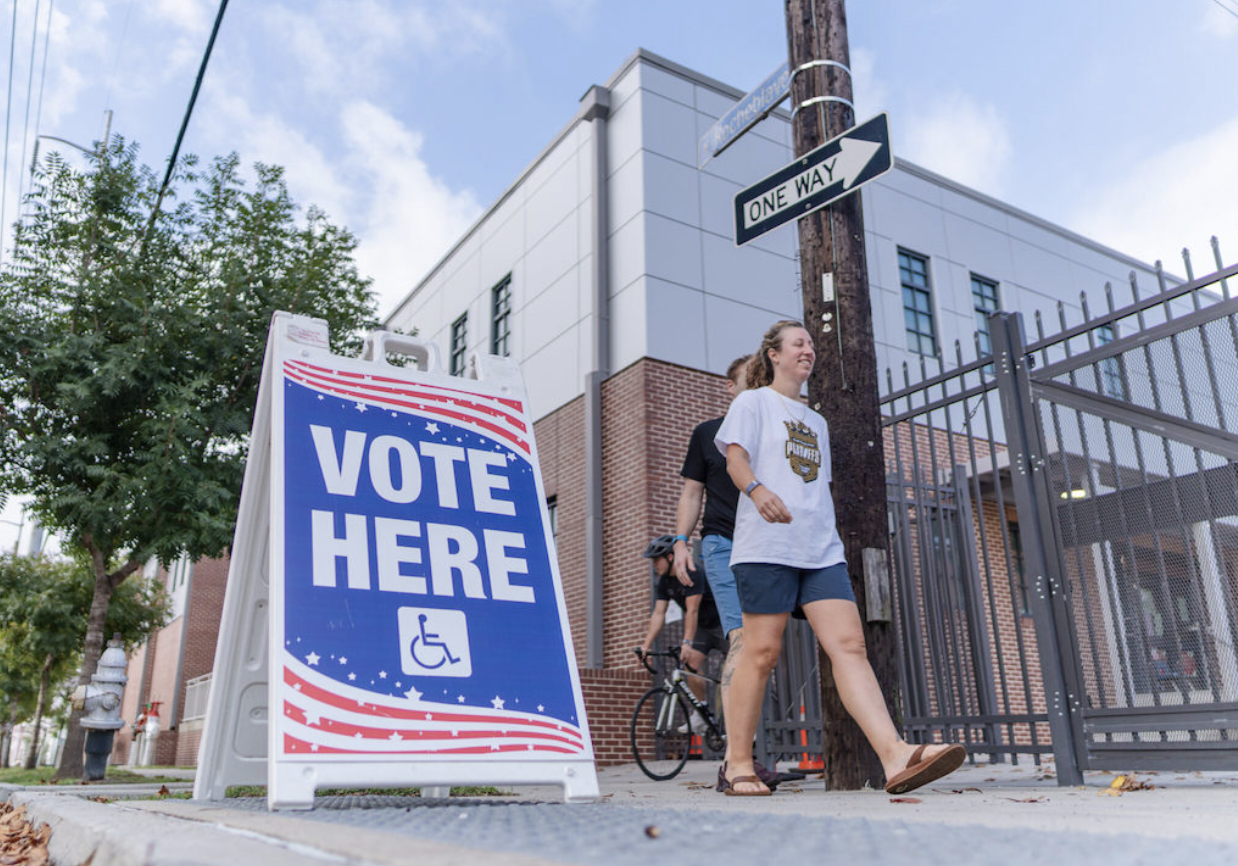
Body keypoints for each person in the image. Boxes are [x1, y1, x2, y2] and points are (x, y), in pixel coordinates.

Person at [713, 319, 965, 797]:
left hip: (819, 549)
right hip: (767, 545)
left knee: (849, 646)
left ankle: (893, 756)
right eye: (798, 343)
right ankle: (738, 763)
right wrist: (757, 489)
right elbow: (735, 460)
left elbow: (811, 484)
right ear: (774, 354)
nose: (808, 350)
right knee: (763, 652)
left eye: (810, 343)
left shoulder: (817, 422)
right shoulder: (753, 402)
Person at [670, 354, 797, 791]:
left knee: (765, 649)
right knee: (741, 640)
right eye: (750, 380)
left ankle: (743, 752)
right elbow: (691, 494)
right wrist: (681, 542)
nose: (759, 386)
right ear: (730, 388)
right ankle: (736, 761)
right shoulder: (707, 434)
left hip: (771, 547)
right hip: (723, 545)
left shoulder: (776, 430)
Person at [637, 534, 728, 733]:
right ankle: (702, 713)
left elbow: (692, 609)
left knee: (734, 670)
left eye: (656, 560)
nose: (653, 565)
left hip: (722, 623)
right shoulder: (664, 582)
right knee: (691, 663)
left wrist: (686, 641)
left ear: (670, 557)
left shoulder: (690, 572)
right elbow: (658, 614)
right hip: (703, 628)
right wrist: (646, 644)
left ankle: (746, 722)